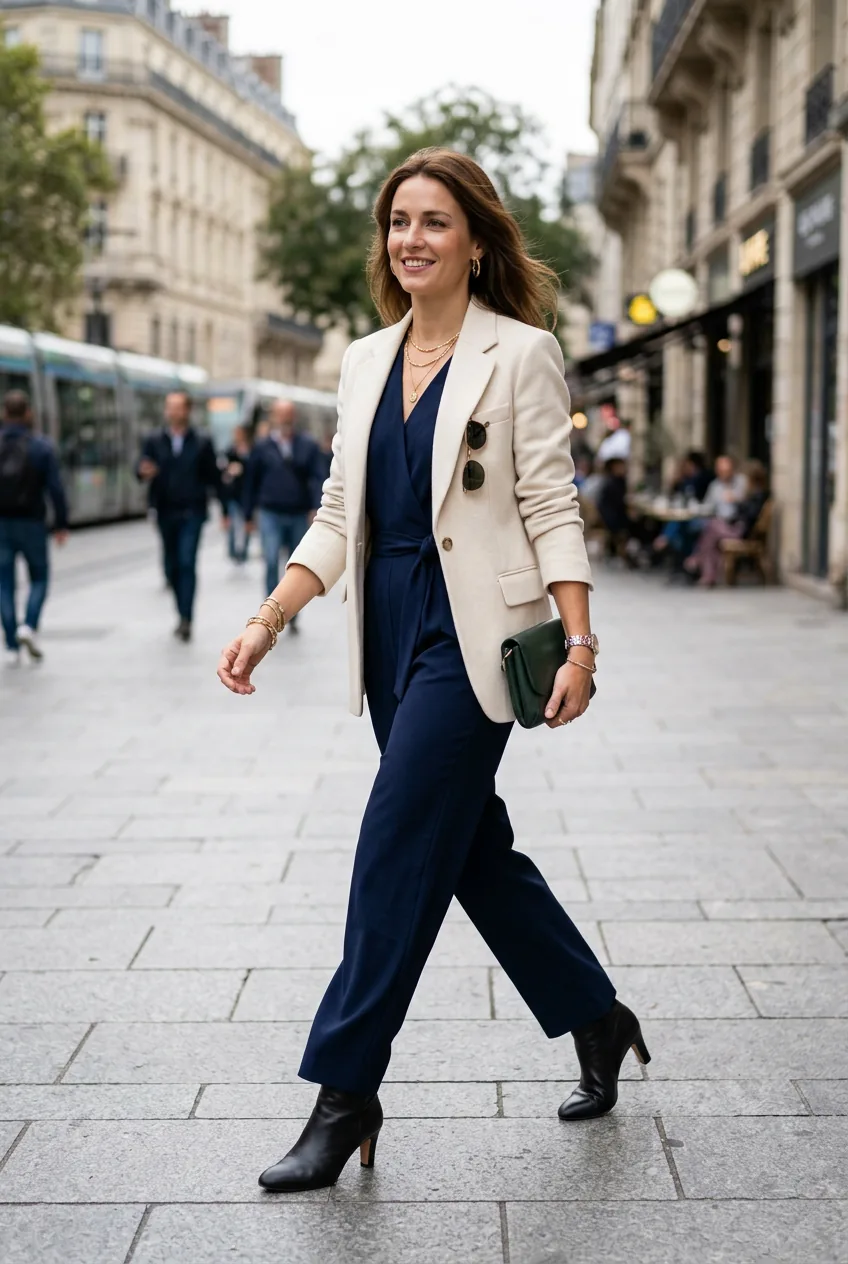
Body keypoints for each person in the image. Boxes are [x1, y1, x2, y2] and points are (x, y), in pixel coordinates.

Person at [218, 147, 649, 1194]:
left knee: (396, 841)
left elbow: (550, 501)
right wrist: (273, 614)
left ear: (473, 238)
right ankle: (596, 1015)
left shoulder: (521, 352)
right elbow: (337, 510)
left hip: (474, 640)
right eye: (397, 221)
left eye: (433, 221)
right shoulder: (365, 358)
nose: (410, 238)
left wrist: (579, 641)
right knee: (466, 850)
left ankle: (344, 1089)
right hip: (387, 629)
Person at [137, 390, 226, 642]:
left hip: (192, 512)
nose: (173, 412)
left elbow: (214, 478)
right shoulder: (154, 439)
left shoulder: (201, 441)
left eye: (178, 407)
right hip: (165, 511)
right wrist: (143, 471)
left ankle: (187, 618)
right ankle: (180, 612)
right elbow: (140, 466)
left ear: (187, 411)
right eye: (170, 407)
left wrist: (227, 510)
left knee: (187, 562)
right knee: (173, 565)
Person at [242, 400, 326, 633]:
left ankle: (291, 610)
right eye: (281, 415)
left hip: (298, 512)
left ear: (294, 416)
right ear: (274, 418)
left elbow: (318, 477)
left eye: (288, 415)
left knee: (296, 565)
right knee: (270, 560)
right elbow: (251, 481)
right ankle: (269, 614)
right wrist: (248, 515)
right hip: (270, 512)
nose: (285, 419)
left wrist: (316, 506)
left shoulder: (307, 445)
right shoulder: (262, 447)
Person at [0, 390, 69, 664]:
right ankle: (28, 626)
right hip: (32, 523)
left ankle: (11, 642)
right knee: (39, 578)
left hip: (1, 524)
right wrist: (61, 524)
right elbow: (56, 489)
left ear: (4, 413)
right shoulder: (42, 446)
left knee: (4, 584)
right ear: (28, 413)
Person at [685, 460, 770, 587]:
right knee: (709, 530)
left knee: (711, 526)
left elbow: (749, 515)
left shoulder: (757, 495)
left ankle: (698, 560)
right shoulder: (718, 486)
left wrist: (736, 501)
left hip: (741, 531)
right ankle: (705, 570)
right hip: (735, 527)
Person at [222, 425, 252, 565]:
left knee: (247, 523)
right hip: (233, 495)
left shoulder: (250, 450)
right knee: (233, 525)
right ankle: (233, 551)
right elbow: (223, 471)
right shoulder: (230, 451)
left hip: (246, 494)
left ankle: (244, 551)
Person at [702, 454, 747, 521]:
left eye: (726, 471)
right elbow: (707, 506)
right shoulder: (714, 485)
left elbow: (748, 501)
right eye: (721, 471)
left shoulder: (742, 481)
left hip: (738, 522)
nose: (724, 474)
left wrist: (735, 498)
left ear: (732, 469)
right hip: (718, 521)